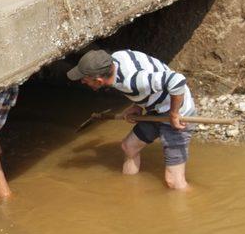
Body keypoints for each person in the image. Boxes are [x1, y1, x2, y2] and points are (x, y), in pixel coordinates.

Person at [67, 49, 196, 190]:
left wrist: (174, 113)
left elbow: (177, 81)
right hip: (155, 110)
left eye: (85, 80)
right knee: (129, 147)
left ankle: (191, 203)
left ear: (98, 81)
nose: (82, 81)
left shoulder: (132, 81)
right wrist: (138, 105)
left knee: (174, 182)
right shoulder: (115, 59)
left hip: (178, 113)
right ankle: (129, 192)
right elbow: (145, 77)